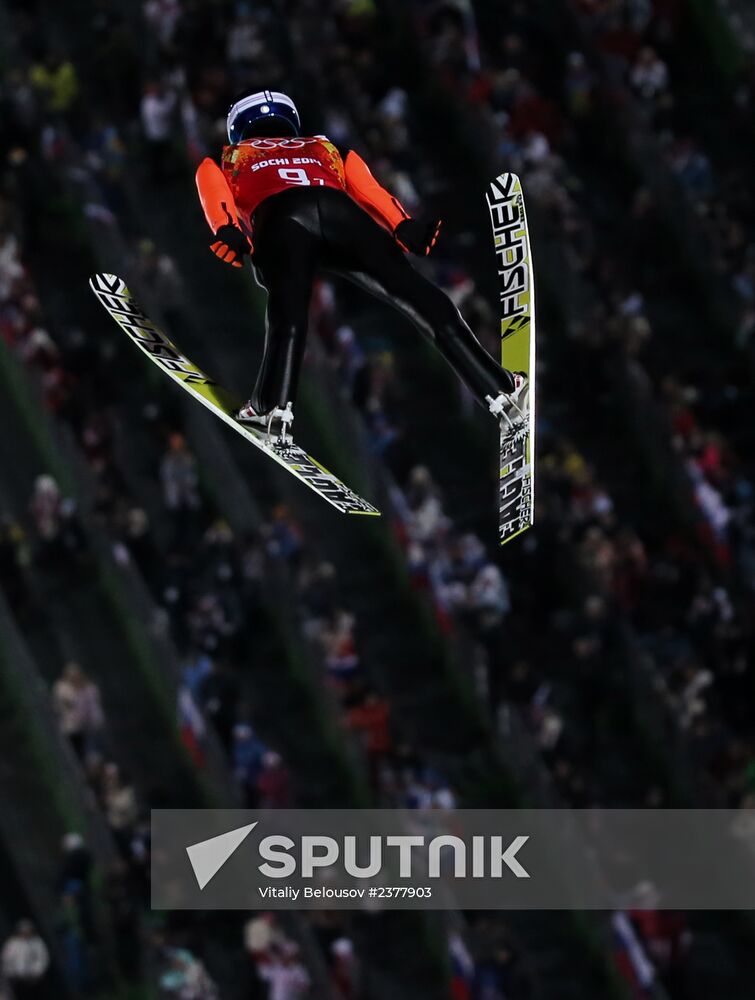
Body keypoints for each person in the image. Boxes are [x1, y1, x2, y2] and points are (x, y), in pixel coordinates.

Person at [195, 89, 528, 441]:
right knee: (417, 294)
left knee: (288, 310)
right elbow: (369, 189)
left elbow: (211, 185)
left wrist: (226, 228)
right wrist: (402, 224)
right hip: (342, 214)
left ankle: (271, 408)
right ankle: (499, 388)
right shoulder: (326, 148)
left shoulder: (229, 157)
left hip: (282, 218)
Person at [1, 921, 50, 999]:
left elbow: (42, 959)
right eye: (23, 931)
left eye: (27, 931)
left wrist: (35, 973)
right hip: (17, 980)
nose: (25, 933)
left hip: (35, 979)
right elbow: (6, 960)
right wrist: (15, 973)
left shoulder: (37, 942)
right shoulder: (12, 943)